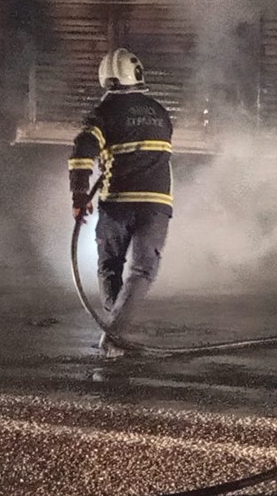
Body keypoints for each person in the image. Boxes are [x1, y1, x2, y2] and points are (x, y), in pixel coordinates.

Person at [69, 48, 174, 357]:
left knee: (110, 266)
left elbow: (81, 151)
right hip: (157, 205)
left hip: (118, 202)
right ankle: (117, 333)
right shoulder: (160, 112)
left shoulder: (103, 114)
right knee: (143, 271)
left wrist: (79, 196)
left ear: (107, 78)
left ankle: (113, 335)